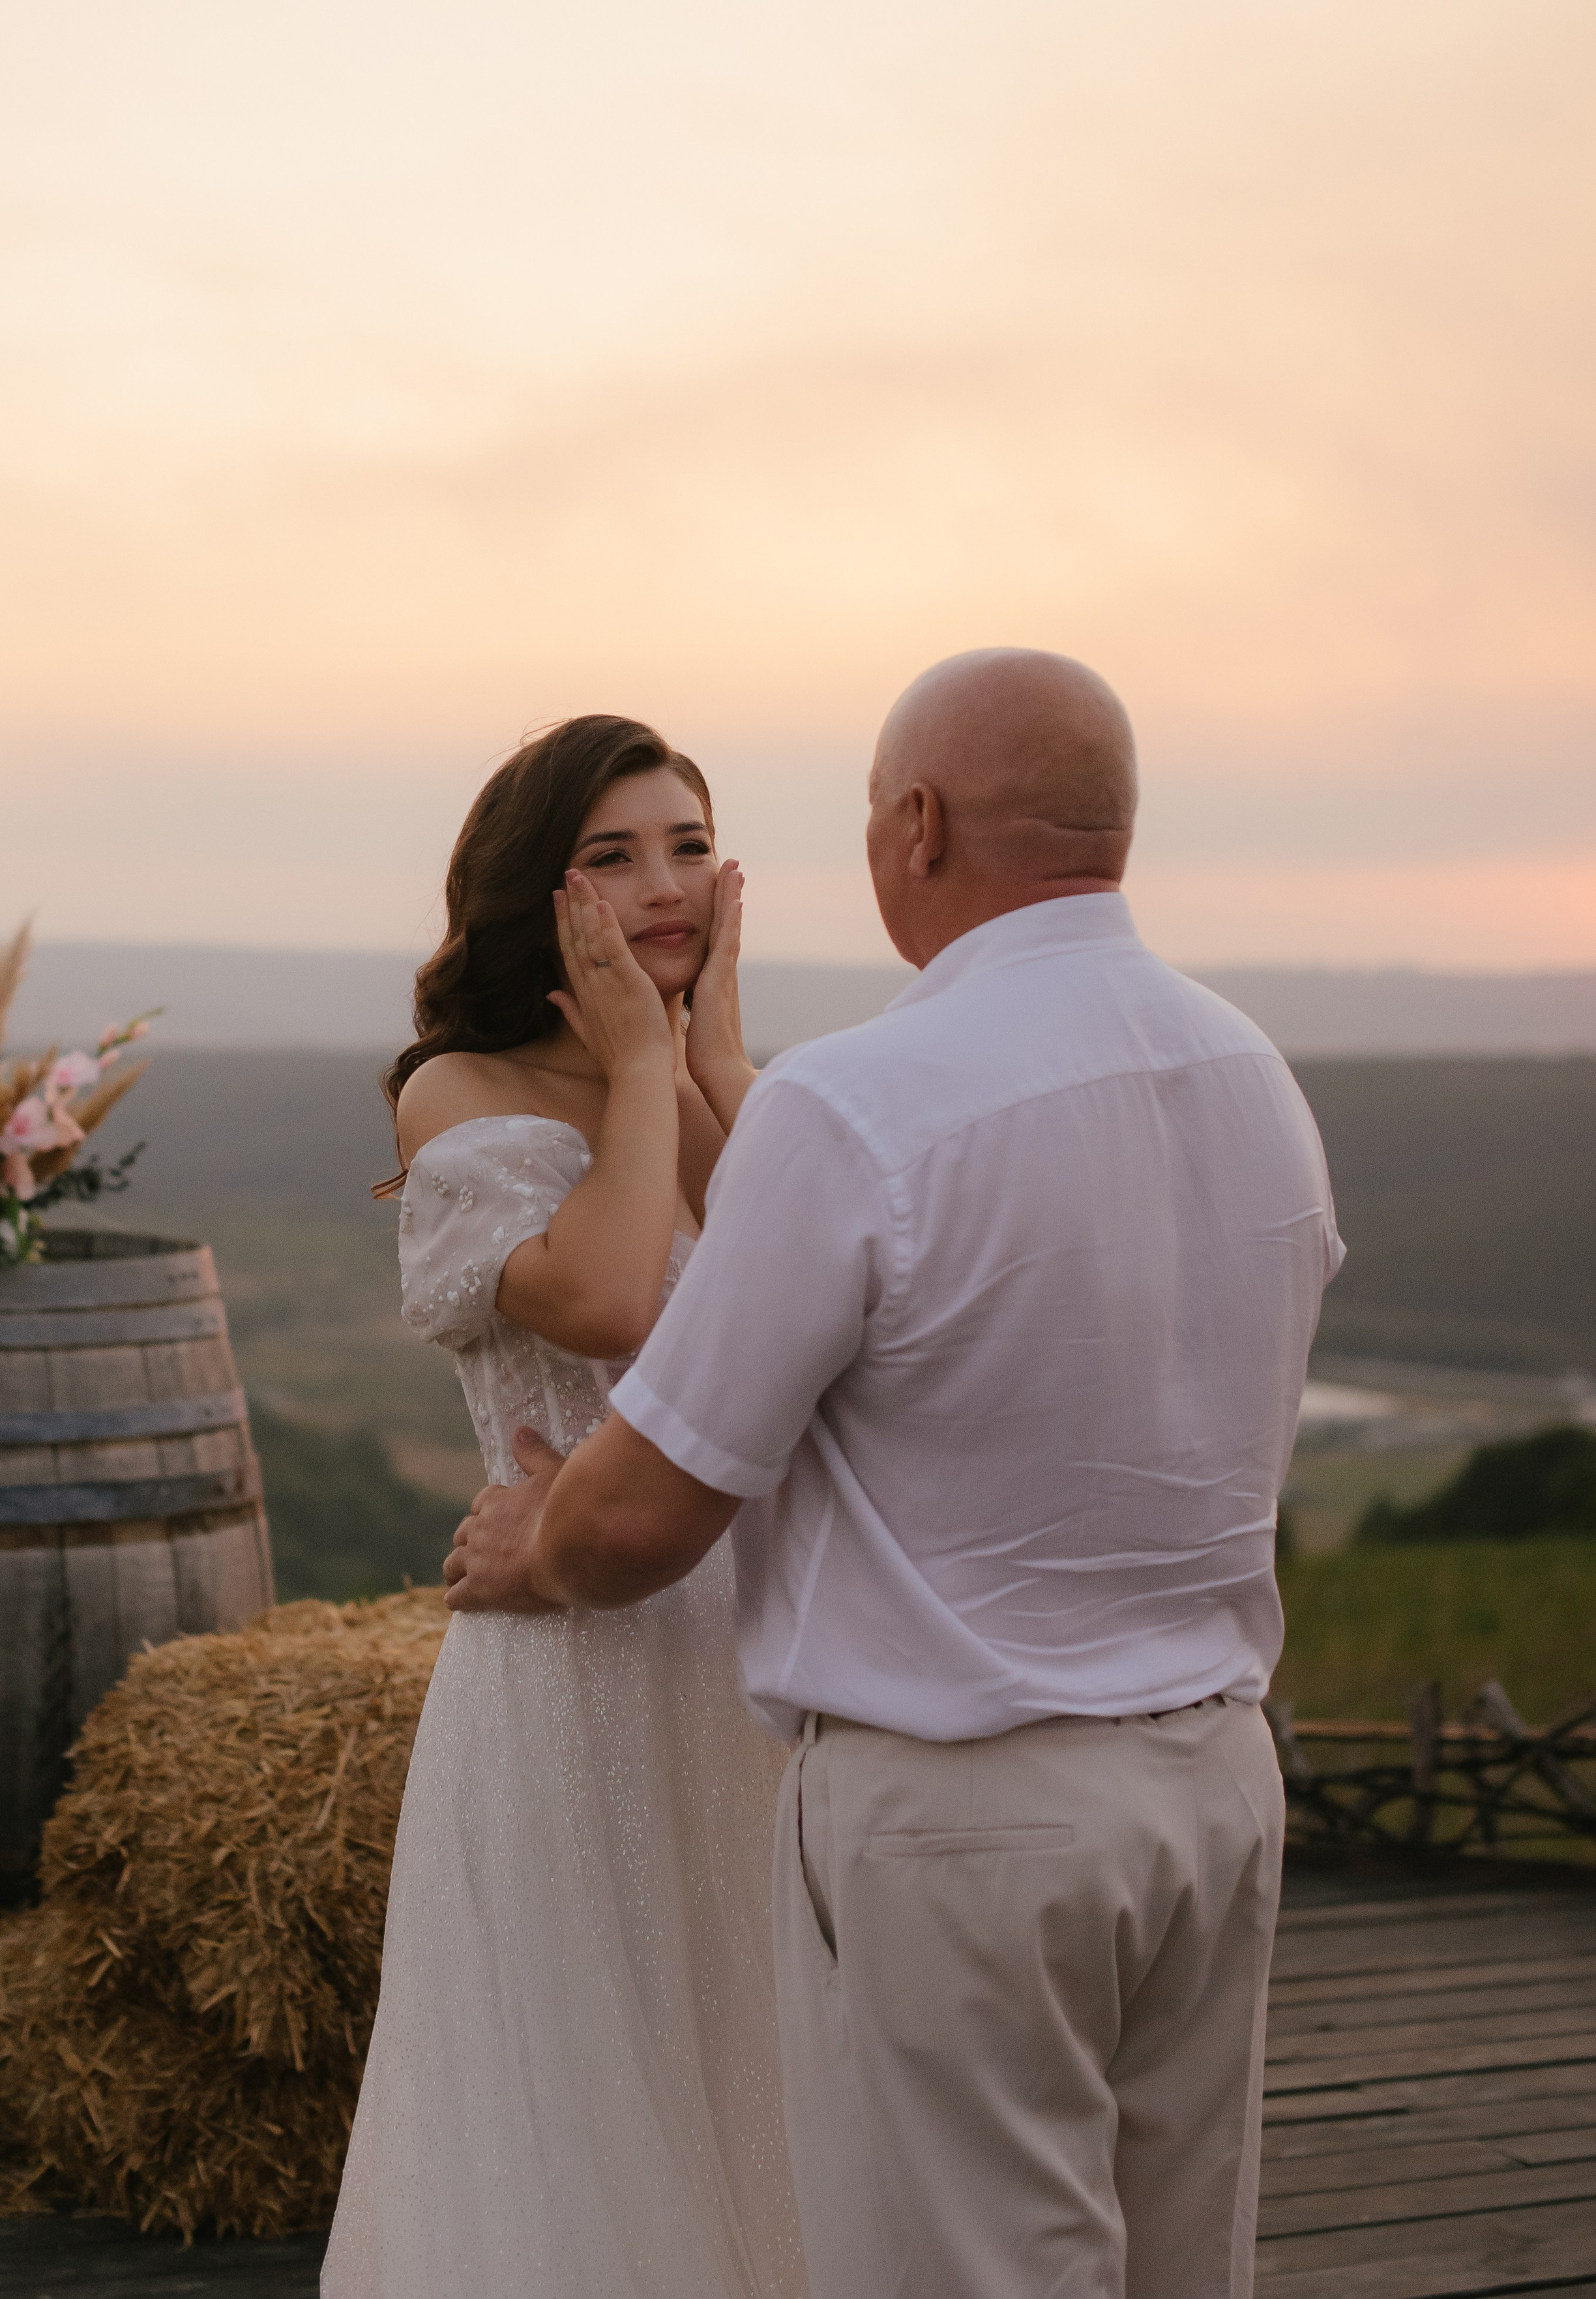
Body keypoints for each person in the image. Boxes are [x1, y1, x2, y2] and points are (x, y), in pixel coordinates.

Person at [447, 649, 1345, 2299]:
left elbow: (645, 1512)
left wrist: (534, 1549)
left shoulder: (861, 1104)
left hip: (962, 1825)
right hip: (1214, 1791)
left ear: (915, 826)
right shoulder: (1254, 1081)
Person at [321, 716, 808, 2299]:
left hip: (758, 1654)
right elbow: (606, 1300)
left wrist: (718, 1059)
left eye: (688, 843)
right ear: (537, 888)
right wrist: (649, 1067)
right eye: (610, 855)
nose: (662, 885)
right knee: (579, 2096)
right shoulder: (463, 1090)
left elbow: (815, 1311)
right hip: (573, 1677)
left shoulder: (743, 1087)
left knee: (766, 2069)